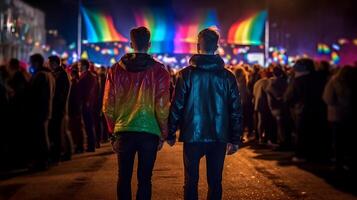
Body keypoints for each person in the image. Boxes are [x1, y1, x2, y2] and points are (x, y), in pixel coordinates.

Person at [168, 28, 243, 200]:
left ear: (197, 46)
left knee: (191, 181)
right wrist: (235, 138)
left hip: (193, 135)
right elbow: (235, 109)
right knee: (215, 182)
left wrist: (170, 132)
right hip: (219, 135)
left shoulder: (185, 75)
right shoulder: (227, 77)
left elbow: (177, 105)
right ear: (216, 47)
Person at [102, 26, 170, 200]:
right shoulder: (160, 71)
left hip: (124, 131)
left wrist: (112, 131)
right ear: (149, 44)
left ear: (131, 44)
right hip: (149, 131)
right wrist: (163, 132)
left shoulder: (116, 70)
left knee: (123, 178)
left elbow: (108, 105)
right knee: (145, 180)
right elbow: (162, 106)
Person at [28, 54, 55, 170]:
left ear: (36, 63)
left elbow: (33, 94)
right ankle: (44, 160)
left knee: (40, 138)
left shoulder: (40, 76)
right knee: (44, 137)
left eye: (31, 62)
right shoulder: (49, 75)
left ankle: (42, 162)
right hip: (46, 109)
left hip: (39, 110)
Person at [48, 55, 71, 163]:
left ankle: (59, 155)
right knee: (60, 132)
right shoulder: (58, 74)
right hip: (59, 107)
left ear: (55, 63)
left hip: (59, 108)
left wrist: (57, 105)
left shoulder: (62, 75)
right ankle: (64, 153)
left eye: (50, 63)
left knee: (59, 132)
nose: (49, 65)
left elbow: (61, 94)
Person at [77, 59, 99, 152]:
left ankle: (91, 146)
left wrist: (86, 102)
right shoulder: (87, 75)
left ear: (84, 66)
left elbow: (89, 91)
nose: (78, 67)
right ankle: (91, 145)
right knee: (88, 125)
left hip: (87, 104)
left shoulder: (88, 76)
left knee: (88, 125)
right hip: (87, 103)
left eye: (80, 65)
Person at [68, 64, 85, 153]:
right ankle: (79, 146)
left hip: (75, 109)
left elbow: (75, 98)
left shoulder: (75, 83)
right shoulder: (77, 82)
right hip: (76, 108)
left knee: (77, 129)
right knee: (78, 128)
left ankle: (79, 146)